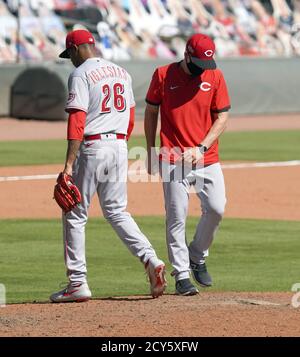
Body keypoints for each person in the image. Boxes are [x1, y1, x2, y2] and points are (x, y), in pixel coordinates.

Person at [50, 29, 166, 303]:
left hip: (93, 146)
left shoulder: (80, 74)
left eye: (70, 54)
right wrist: (119, 146)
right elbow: (130, 117)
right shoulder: (121, 72)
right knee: (116, 211)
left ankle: (77, 282)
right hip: (119, 145)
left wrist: (68, 165)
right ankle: (151, 259)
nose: (71, 60)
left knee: (74, 213)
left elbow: (77, 120)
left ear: (78, 49)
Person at [144, 33, 230, 296]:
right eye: (197, 64)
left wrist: (201, 147)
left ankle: (197, 255)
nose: (201, 71)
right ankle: (181, 274)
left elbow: (223, 117)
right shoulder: (162, 75)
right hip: (172, 157)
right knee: (177, 216)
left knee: (216, 208)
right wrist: (149, 150)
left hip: (206, 157)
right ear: (186, 55)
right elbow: (151, 112)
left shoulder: (214, 76)